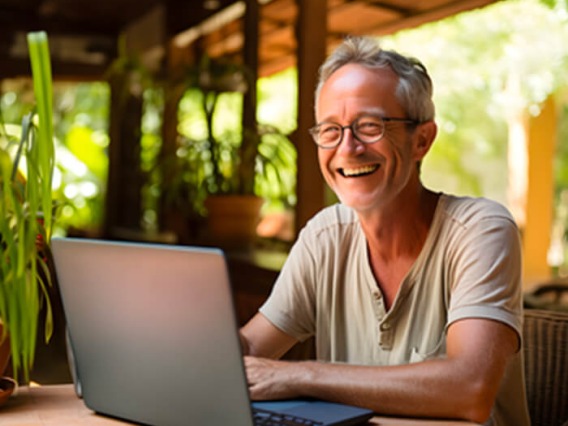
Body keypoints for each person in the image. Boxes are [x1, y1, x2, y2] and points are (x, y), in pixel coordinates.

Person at [239, 36, 530, 426]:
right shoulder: (325, 237)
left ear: (421, 140)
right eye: (330, 130)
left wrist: (299, 375)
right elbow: (248, 351)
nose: (347, 148)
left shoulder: (481, 231)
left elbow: (470, 389)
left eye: (369, 126)